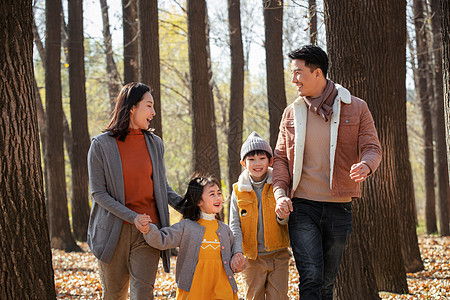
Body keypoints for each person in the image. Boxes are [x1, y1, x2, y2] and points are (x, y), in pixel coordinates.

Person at [273, 45, 382, 300]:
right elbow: (279, 158)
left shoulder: (356, 107)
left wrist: (366, 165)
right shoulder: (291, 113)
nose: (293, 79)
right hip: (302, 206)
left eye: (298, 73)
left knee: (326, 283)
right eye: (292, 73)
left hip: (339, 207)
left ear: (318, 73)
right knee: (310, 277)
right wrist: (280, 194)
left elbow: (372, 147)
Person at [87, 82, 184, 300]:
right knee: (114, 294)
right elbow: (98, 193)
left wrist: (188, 206)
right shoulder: (101, 145)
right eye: (148, 106)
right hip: (113, 231)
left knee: (143, 293)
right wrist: (133, 217)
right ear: (132, 107)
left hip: (148, 230)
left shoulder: (155, 143)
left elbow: (161, 186)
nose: (153, 112)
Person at [142, 175, 240, 300]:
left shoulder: (225, 230)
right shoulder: (186, 227)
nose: (218, 198)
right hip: (194, 290)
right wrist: (148, 229)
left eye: (219, 193)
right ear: (199, 201)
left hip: (223, 288)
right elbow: (162, 239)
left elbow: (231, 259)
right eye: (212, 194)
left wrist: (238, 263)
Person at [229, 131, 290, 299]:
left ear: (270, 161)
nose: (257, 163)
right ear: (243, 163)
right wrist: (237, 252)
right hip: (252, 258)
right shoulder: (238, 191)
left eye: (262, 158)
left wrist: (283, 215)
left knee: (278, 296)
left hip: (279, 255)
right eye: (251, 159)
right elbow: (235, 224)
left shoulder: (278, 186)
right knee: (253, 296)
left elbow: (286, 220)